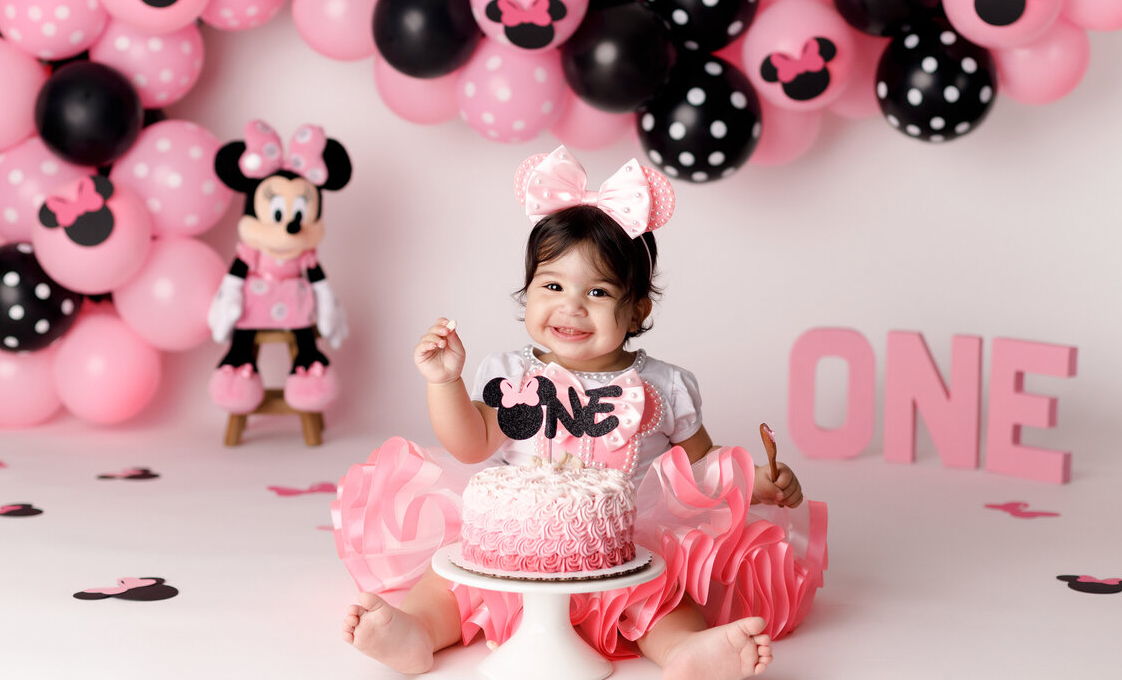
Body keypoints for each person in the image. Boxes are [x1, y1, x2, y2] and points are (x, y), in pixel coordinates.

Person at [335, 146, 827, 678]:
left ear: (637, 308)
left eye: (596, 291)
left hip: (627, 546)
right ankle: (416, 633)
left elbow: (702, 466)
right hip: (514, 545)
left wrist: (753, 480)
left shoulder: (663, 383)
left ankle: (685, 651)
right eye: (552, 286)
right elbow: (470, 442)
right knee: (454, 581)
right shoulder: (514, 374)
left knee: (661, 596)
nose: (570, 306)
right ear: (527, 292)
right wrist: (445, 380)